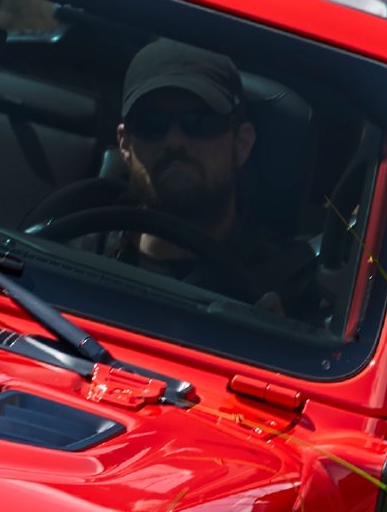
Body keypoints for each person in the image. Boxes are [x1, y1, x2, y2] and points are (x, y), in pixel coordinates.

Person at [39, 38, 318, 316]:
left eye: (199, 123)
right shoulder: (72, 257)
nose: (174, 141)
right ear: (125, 144)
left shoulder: (291, 288)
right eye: (152, 124)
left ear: (242, 143)